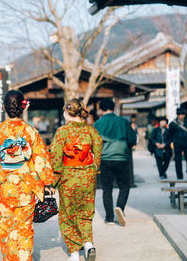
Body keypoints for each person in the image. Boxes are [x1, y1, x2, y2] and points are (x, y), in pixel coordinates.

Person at [0, 90, 54, 261]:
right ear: (23, 108)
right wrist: (47, 183)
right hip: (26, 186)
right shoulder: (31, 131)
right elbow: (41, 160)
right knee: (24, 229)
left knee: (5, 228)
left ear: (4, 108)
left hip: (4, 188)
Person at [49, 99, 102, 261]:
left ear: (67, 112)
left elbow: (56, 158)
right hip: (87, 176)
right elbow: (98, 150)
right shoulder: (91, 131)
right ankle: (88, 244)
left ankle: (73, 254)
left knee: (67, 214)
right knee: (85, 212)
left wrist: (53, 182)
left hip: (68, 178)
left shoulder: (62, 132)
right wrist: (93, 169)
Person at [94, 98, 137, 226]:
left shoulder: (97, 124)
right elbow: (132, 139)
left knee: (107, 189)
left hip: (105, 159)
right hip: (121, 158)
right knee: (124, 186)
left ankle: (109, 218)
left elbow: (94, 143)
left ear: (101, 110)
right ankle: (120, 207)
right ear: (114, 108)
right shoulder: (123, 121)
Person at [168, 108, 187, 179]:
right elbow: (170, 135)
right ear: (177, 115)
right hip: (177, 144)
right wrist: (169, 143)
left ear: (185, 115)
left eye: (182, 114)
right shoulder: (172, 124)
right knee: (178, 161)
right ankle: (179, 176)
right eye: (179, 114)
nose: (181, 116)